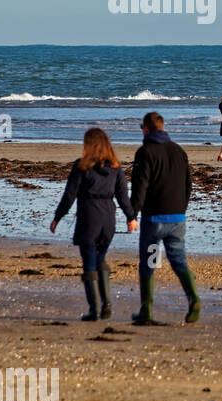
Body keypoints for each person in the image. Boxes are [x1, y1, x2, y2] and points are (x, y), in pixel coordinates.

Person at [50, 128, 138, 321]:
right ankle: (106, 304)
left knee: (89, 263)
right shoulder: (115, 168)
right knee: (101, 258)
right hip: (108, 218)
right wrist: (131, 218)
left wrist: (58, 217)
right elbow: (123, 196)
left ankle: (94, 310)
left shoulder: (81, 167)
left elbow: (70, 195)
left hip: (89, 217)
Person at [130, 112, 201, 324]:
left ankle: (147, 310)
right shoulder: (179, 151)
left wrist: (132, 214)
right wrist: (182, 209)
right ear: (163, 127)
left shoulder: (145, 152)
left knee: (150, 263)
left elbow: (140, 186)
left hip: (154, 220)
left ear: (146, 129)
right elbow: (188, 184)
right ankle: (194, 298)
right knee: (178, 260)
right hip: (177, 219)